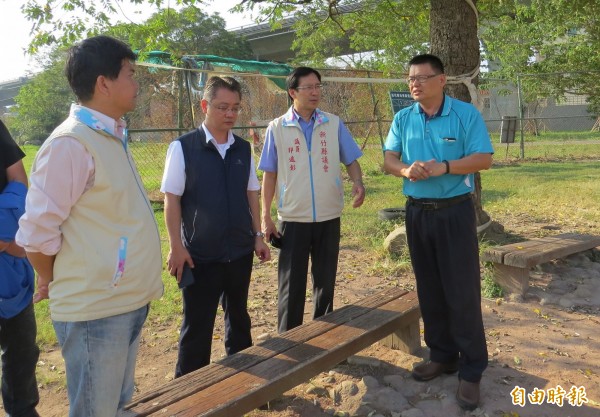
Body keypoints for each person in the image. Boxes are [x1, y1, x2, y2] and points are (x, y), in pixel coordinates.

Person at [16, 35, 164, 417]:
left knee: (115, 404)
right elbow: (35, 234)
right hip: (96, 310)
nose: (137, 84)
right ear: (104, 83)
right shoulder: (70, 144)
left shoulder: (110, 134)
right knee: (95, 410)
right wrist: (52, 277)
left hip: (124, 301)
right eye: (131, 74)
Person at [383, 53, 493, 411]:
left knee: (461, 290)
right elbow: (388, 159)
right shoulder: (403, 118)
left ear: (442, 80)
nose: (414, 84)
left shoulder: (464, 115)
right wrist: (405, 171)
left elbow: (483, 158)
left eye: (422, 78)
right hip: (417, 214)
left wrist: (444, 166)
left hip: (454, 213)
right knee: (429, 288)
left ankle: (472, 369)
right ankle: (443, 355)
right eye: (410, 78)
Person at [161, 76, 271, 377]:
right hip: (199, 255)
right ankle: (188, 396)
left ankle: (247, 383)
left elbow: (251, 192)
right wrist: (176, 247)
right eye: (223, 107)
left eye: (235, 107)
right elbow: (172, 200)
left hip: (238, 251)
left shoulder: (242, 149)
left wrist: (257, 237)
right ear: (205, 106)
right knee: (197, 327)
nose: (230, 114)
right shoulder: (183, 148)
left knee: (239, 319)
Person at [259, 66, 365, 334]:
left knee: (325, 282)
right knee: (291, 285)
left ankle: (323, 338)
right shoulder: (277, 128)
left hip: (329, 216)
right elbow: (269, 174)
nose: (315, 92)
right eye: (309, 87)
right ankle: (289, 340)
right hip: (293, 219)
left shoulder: (333, 123)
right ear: (293, 92)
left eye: (318, 86)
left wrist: (358, 182)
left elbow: (350, 158)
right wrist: (266, 216)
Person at [0, 120, 40, 417]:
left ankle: (23, 411)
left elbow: (18, 181)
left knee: (22, 350)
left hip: (10, 264)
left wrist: (6, 238)